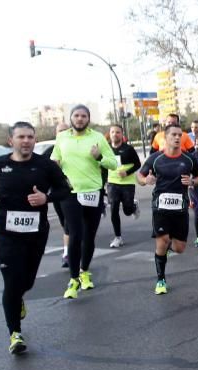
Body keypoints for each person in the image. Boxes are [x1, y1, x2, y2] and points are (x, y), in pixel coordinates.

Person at [0, 122, 69, 354]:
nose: (26, 141)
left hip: (35, 232)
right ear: (11, 141)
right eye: (21, 137)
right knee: (12, 282)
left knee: (26, 282)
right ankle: (15, 333)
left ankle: (19, 299)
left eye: (30, 137)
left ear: (34, 140)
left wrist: (46, 198)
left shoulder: (45, 165)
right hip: (6, 233)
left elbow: (64, 190)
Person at [51, 105, 117, 299]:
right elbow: (54, 161)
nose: (80, 119)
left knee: (89, 235)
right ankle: (73, 279)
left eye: (83, 116)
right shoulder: (62, 138)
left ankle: (84, 271)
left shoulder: (97, 137)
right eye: (76, 115)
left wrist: (99, 157)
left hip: (93, 193)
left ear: (88, 119)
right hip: (70, 193)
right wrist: (58, 175)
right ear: (71, 118)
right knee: (75, 234)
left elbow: (113, 163)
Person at [137, 124, 198, 294]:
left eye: (179, 135)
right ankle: (161, 280)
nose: (177, 137)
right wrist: (146, 180)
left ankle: (165, 250)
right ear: (165, 138)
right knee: (162, 240)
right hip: (160, 207)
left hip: (180, 208)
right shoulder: (156, 159)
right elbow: (140, 176)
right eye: (173, 134)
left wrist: (193, 182)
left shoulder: (189, 159)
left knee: (180, 248)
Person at [105, 124, 143, 248]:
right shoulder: (106, 149)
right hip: (112, 182)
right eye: (112, 132)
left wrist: (126, 172)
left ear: (122, 135)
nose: (115, 134)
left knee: (127, 210)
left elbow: (137, 164)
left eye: (117, 132)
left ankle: (133, 206)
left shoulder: (128, 149)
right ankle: (118, 237)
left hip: (127, 183)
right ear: (109, 134)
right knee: (114, 208)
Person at [49, 122, 72, 268]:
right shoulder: (49, 152)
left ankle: (67, 254)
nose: (62, 133)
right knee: (65, 223)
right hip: (57, 193)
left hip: (75, 192)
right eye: (60, 131)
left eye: (65, 131)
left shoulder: (76, 148)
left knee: (71, 224)